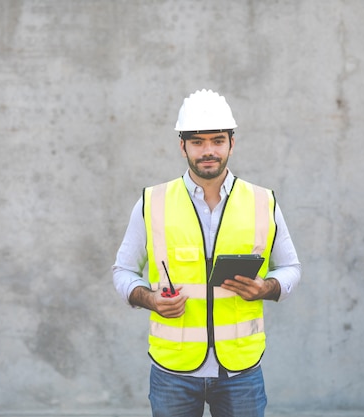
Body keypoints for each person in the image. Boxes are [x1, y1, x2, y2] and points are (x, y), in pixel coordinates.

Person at [112, 89, 301, 417]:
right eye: (197, 142)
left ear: (232, 143)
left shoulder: (262, 201)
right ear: (182, 146)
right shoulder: (152, 202)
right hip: (173, 372)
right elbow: (122, 271)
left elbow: (290, 268)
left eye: (217, 140)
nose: (208, 150)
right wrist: (149, 299)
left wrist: (266, 288)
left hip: (241, 372)